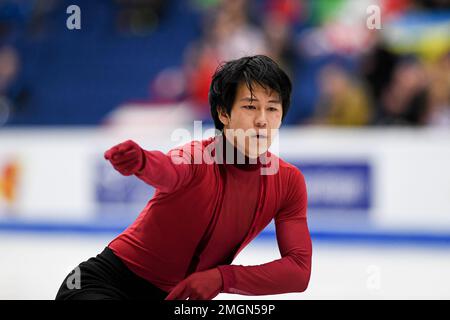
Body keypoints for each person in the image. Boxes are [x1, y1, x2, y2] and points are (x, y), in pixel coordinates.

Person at [55, 55, 312, 300]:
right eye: (250, 107)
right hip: (104, 285)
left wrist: (223, 278)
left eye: (272, 109)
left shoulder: (288, 181)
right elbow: (169, 170)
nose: (262, 121)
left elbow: (299, 271)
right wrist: (143, 162)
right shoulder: (196, 157)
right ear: (224, 113)